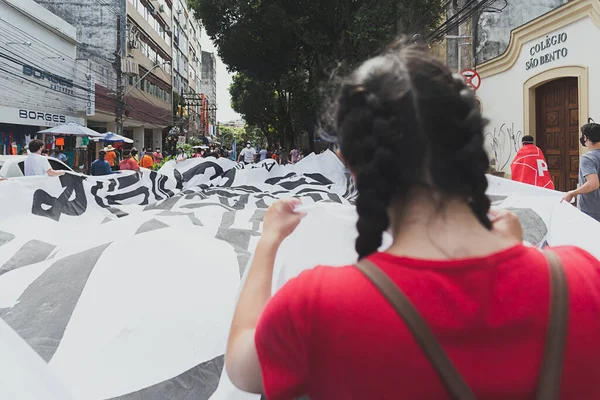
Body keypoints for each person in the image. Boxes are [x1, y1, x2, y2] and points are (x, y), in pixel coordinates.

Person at [224, 39, 600, 399]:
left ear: (355, 167)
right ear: (474, 148)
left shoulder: (320, 307)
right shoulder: (582, 277)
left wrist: (268, 242)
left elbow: (242, 366)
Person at [562, 120, 600, 221]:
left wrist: (572, 193)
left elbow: (593, 184)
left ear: (586, 137)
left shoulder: (588, 158)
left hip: (592, 210)